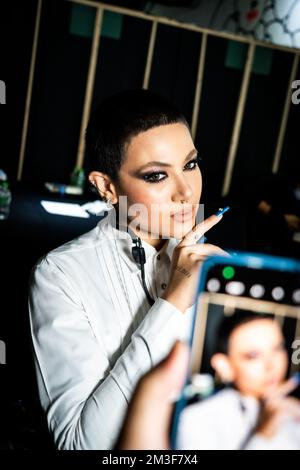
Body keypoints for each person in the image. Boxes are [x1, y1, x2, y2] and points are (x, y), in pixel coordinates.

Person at [28, 89, 226, 450]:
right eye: (156, 176)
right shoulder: (60, 275)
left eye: (191, 164)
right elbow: (81, 444)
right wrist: (173, 303)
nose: (186, 192)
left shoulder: (217, 269)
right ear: (107, 187)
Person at [177, 313, 300, 450]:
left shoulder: (294, 413)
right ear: (225, 367)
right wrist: (265, 433)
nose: (271, 366)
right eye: (253, 356)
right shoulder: (197, 420)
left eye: (278, 348)